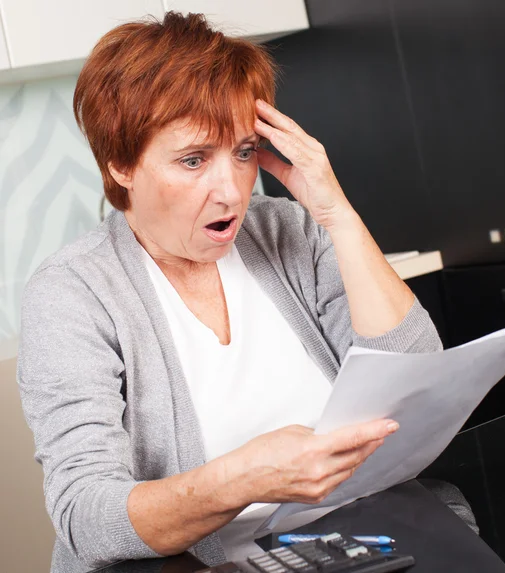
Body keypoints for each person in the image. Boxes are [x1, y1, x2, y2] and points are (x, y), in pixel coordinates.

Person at [17, 11, 474, 573]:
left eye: (242, 151)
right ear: (121, 163)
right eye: (193, 159)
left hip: (357, 545)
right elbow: (87, 516)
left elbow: (415, 381)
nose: (232, 190)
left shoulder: (287, 228)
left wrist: (334, 210)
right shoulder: (72, 293)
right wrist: (240, 479)